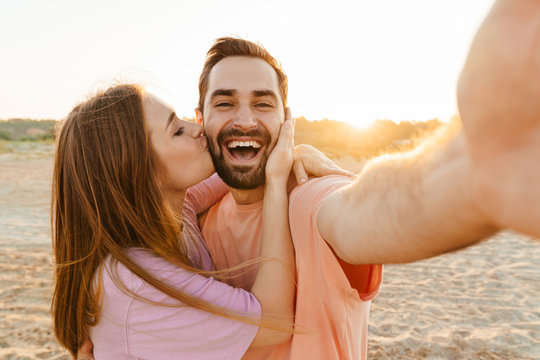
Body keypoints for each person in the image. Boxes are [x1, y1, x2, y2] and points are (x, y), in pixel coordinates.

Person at [190, 0, 540, 357]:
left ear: (286, 120)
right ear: (200, 120)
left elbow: (363, 210)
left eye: (263, 104)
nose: (246, 120)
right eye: (225, 103)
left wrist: (471, 171)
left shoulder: (309, 198)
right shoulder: (200, 221)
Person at [51, 84, 349, 359]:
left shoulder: (177, 210)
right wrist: (275, 184)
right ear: (136, 171)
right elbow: (273, 322)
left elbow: (239, 168)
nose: (199, 129)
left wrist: (296, 151)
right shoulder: (135, 284)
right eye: (177, 130)